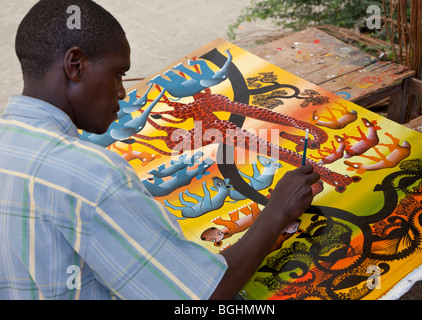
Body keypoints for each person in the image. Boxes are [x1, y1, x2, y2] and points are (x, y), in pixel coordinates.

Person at [0, 0, 319, 300]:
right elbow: (200, 295)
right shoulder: (93, 175)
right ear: (75, 65)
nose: (123, 92)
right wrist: (278, 210)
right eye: (117, 74)